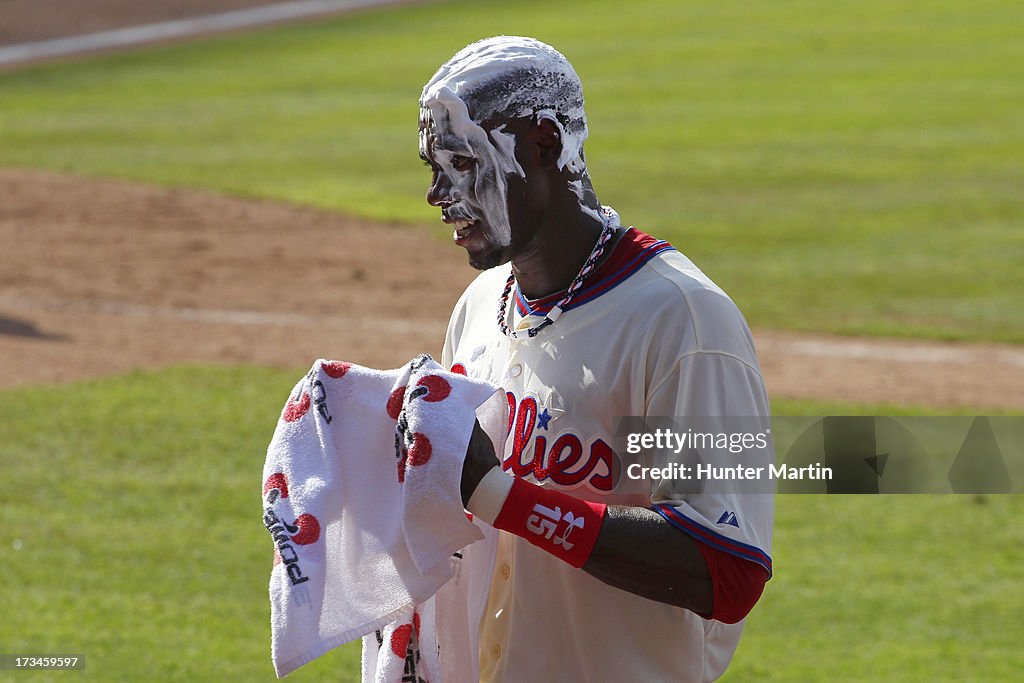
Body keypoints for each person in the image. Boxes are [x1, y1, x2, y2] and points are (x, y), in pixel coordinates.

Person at [419, 36, 774, 682]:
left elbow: (726, 567)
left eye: (463, 163)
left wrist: (501, 493)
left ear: (546, 144)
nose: (438, 193)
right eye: (433, 167)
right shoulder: (478, 310)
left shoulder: (680, 321)